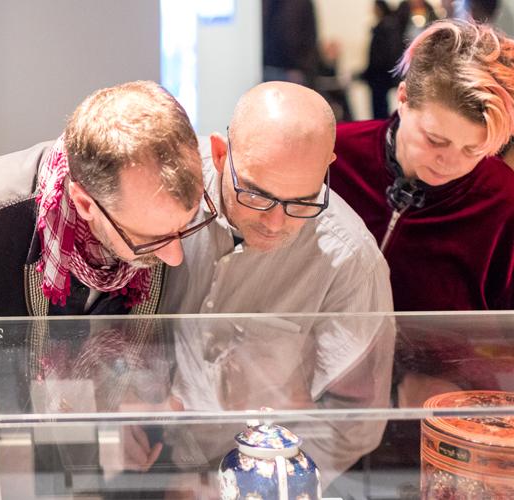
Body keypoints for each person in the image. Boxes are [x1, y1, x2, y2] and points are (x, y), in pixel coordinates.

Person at [0, 80, 212, 499]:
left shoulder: (156, 229)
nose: (175, 256)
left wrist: (121, 421)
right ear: (85, 204)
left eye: (188, 225)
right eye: (150, 240)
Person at [164, 81, 396, 480]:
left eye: (302, 202)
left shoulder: (350, 261)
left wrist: (253, 483)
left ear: (327, 166)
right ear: (221, 155)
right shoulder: (164, 188)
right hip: (135, 460)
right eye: (256, 195)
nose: (276, 223)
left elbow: (354, 422)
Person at [330, 17, 514, 478]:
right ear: (404, 98)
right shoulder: (331, 156)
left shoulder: (504, 202)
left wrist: (455, 380)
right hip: (317, 422)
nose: (451, 162)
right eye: (437, 139)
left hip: (437, 438)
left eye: (475, 150)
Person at [361, 0, 406, 119]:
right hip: (380, 74)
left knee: (380, 110)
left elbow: (385, 54)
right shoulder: (388, 25)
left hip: (380, 75)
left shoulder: (386, 27)